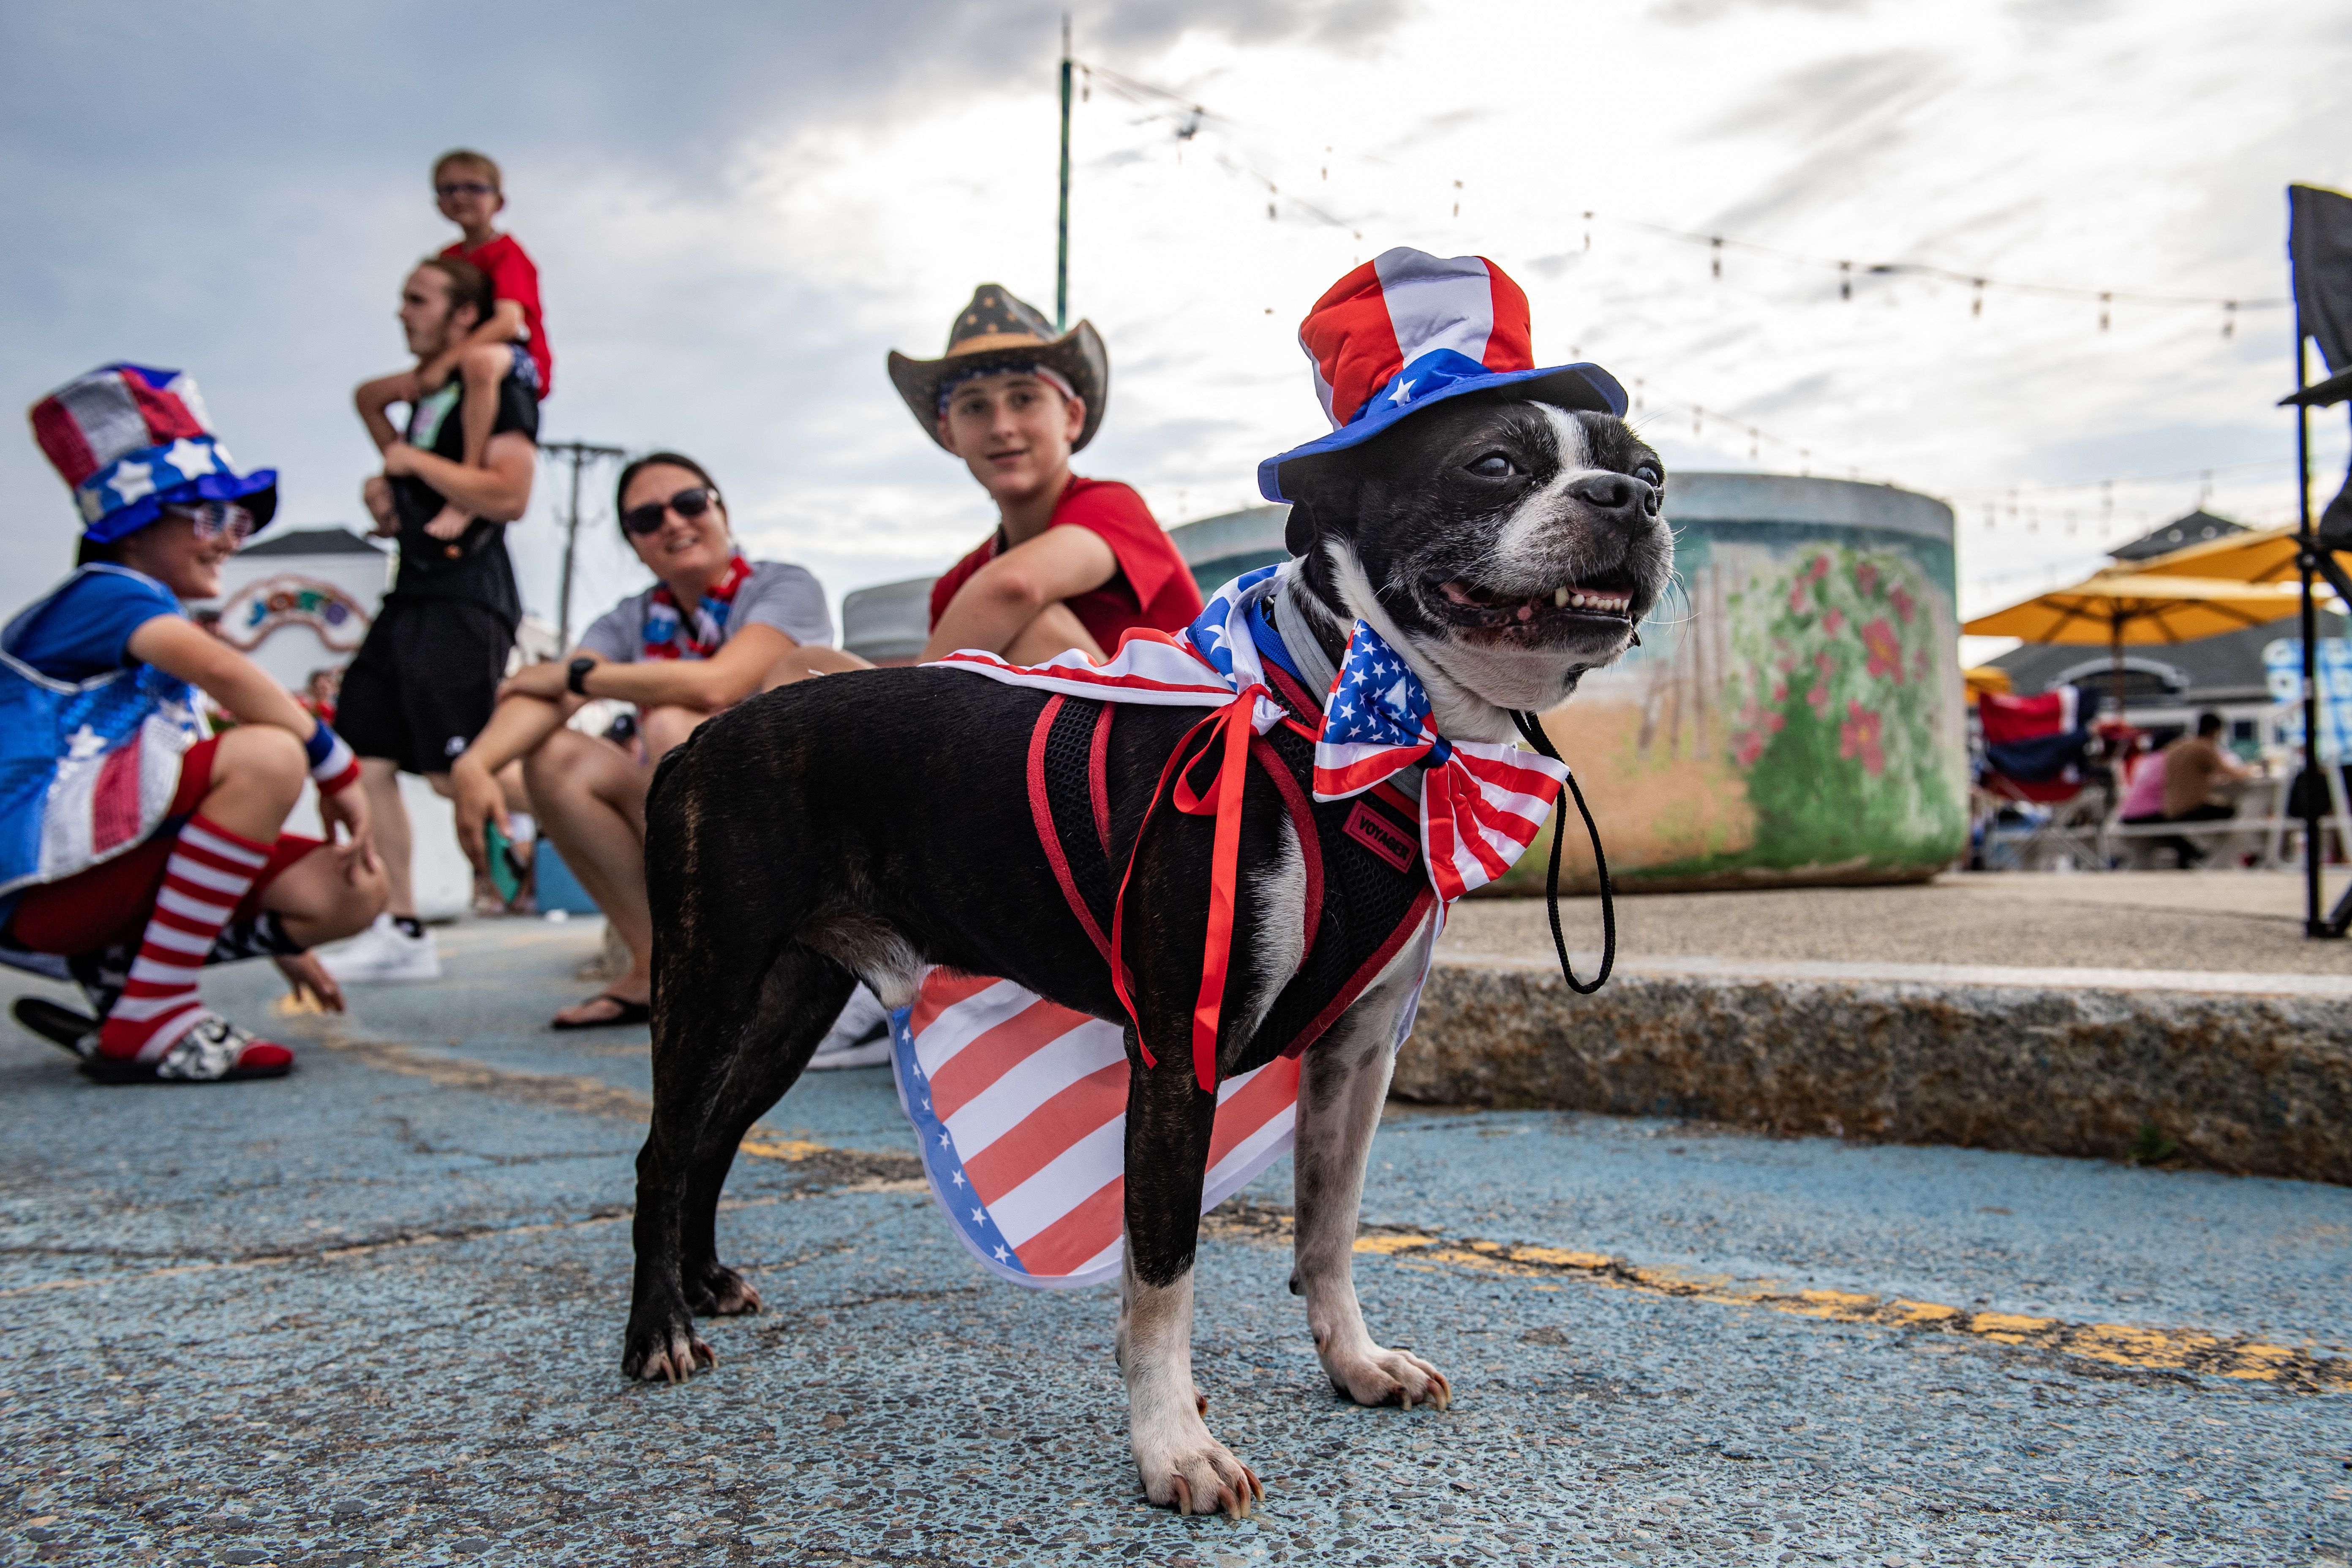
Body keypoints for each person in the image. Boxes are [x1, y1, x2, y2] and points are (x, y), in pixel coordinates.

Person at [2, 363, 387, 1081]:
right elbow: (225, 672)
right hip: (39, 891)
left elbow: (173, 801)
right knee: (271, 753)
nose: (229, 539)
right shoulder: (106, 593)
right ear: (133, 528)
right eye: (211, 517)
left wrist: (284, 944)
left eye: (236, 521)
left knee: (350, 887)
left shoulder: (136, 618)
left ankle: (132, 991)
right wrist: (336, 768)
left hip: (96, 880)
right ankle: (152, 1012)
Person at [445, 453, 874, 1033]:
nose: (672, 522)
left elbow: (719, 681)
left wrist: (576, 676)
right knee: (556, 757)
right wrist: (477, 764)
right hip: (705, 839)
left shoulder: (784, 586)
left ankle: (814, 958)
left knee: (682, 724)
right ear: (634, 542)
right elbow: (547, 694)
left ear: (721, 509)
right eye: (647, 518)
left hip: (798, 838)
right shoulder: (633, 617)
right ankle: (660, 971)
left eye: (690, 502)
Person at [331, 257, 538, 982]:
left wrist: (414, 464)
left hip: (465, 597)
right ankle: (403, 927)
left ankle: (616, 794)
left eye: (416, 300)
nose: (401, 313)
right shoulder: (429, 396)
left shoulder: (499, 385)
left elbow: (509, 494)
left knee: (459, 773)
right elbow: (376, 418)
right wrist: (393, 493)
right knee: (368, 756)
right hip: (411, 593)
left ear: (461, 315)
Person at [888, 284, 1202, 666]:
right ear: (949, 435)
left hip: (1175, 725)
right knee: (806, 660)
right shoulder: (956, 588)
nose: (1001, 426)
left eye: (1023, 399)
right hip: (1034, 725)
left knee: (1028, 626)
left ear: (1072, 418)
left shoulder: (1114, 507)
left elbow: (1013, 589)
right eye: (974, 407)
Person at [354, 150, 553, 543]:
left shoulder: (507, 253)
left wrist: (444, 363)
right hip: (464, 364)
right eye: (447, 190)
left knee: (480, 363)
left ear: (499, 200)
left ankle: (467, 485)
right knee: (368, 394)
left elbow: (508, 322)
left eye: (473, 188)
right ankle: (405, 486)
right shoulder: (449, 258)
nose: (459, 197)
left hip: (515, 358)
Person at [2154, 711, 2254, 866]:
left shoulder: (2176, 747)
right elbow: (2231, 773)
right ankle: (2219, 857)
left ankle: (2208, 853)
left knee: (2218, 810)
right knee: (2231, 812)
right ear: (2216, 731)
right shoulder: (2204, 747)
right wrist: (2250, 769)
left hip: (2170, 810)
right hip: (2190, 810)